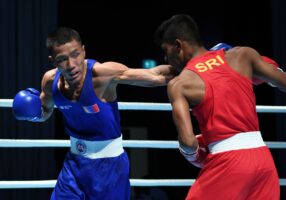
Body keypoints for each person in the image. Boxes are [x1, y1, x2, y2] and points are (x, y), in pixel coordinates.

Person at [12, 27, 176, 200]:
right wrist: (34, 114)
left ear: (83, 51)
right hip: (74, 165)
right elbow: (45, 112)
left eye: (75, 54)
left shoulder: (102, 75)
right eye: (62, 59)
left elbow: (155, 75)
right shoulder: (50, 81)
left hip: (110, 167)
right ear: (53, 61)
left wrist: (193, 68)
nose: (71, 65)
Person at [154, 14, 286, 199]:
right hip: (263, 161)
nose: (166, 58)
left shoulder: (180, 84)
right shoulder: (242, 55)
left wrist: (194, 156)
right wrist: (267, 72)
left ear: (178, 45)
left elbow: (189, 143)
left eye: (166, 51)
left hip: (228, 163)